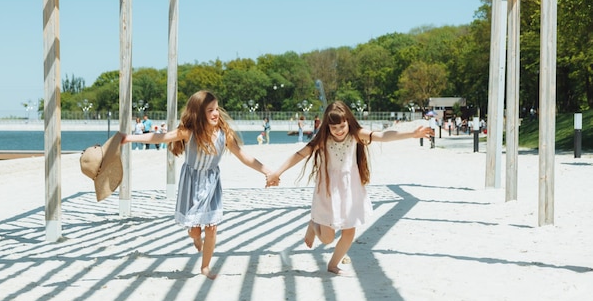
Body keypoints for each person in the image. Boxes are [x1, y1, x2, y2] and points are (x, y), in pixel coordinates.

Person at [266, 101, 433, 275]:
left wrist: (412, 134)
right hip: (328, 191)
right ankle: (314, 224)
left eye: (342, 125)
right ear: (328, 127)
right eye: (334, 127)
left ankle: (332, 264)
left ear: (348, 122)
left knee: (349, 231)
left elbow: (383, 136)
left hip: (350, 190)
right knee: (327, 239)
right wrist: (277, 173)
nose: (339, 130)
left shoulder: (356, 134)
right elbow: (299, 155)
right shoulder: (323, 140)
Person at [121, 91, 273, 279]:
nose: (216, 113)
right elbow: (160, 137)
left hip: (211, 184)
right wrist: (129, 138)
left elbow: (244, 157)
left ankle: (205, 267)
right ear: (199, 113)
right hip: (191, 184)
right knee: (194, 230)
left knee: (212, 227)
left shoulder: (225, 135)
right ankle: (196, 238)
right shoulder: (188, 133)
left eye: (216, 109)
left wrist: (266, 171)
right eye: (210, 110)